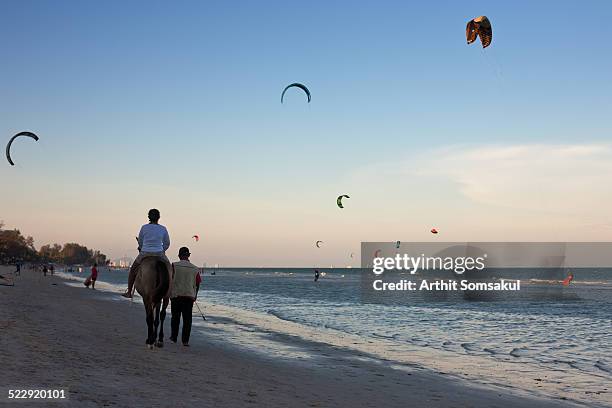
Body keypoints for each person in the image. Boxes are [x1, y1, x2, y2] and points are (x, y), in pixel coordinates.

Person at [122, 209, 172, 298]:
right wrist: (161, 249)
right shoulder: (163, 228)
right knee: (170, 270)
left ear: (148, 217)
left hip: (145, 253)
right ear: (159, 217)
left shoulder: (144, 227)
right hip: (159, 254)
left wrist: (143, 248)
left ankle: (129, 291)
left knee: (133, 270)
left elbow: (140, 242)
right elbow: (167, 243)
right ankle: (170, 291)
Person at [170, 247, 201, 346]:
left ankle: (174, 338)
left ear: (179, 256)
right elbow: (198, 283)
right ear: (189, 256)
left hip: (176, 295)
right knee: (187, 320)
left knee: (175, 318)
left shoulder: (174, 265)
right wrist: (195, 295)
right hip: (189, 297)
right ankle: (185, 341)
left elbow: (170, 279)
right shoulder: (195, 268)